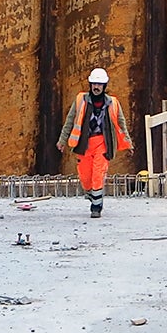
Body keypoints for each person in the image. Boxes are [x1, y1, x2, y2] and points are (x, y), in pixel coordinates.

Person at [57, 67, 124, 219]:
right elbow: (70, 120)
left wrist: (128, 143)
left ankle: (96, 206)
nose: (96, 87)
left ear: (104, 86)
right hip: (85, 144)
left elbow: (121, 123)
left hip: (102, 143)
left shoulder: (112, 103)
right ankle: (90, 194)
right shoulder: (81, 100)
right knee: (86, 177)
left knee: (98, 173)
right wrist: (62, 140)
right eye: (94, 84)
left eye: (99, 84)